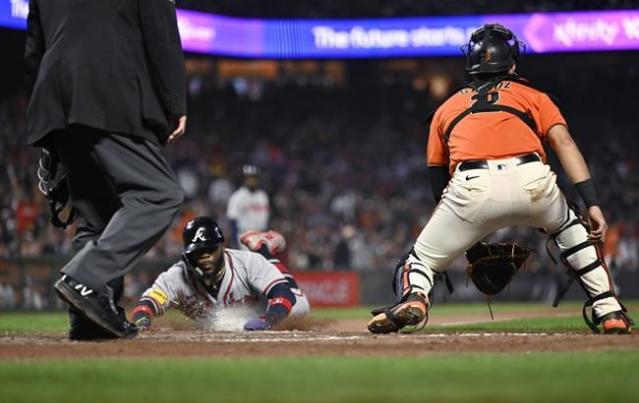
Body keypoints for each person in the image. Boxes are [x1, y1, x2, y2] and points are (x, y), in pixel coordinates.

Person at [367, 24, 632, 335]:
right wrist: (593, 203)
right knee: (570, 230)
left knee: (419, 259)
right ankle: (609, 308)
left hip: (471, 184)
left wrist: (464, 233)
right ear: (512, 64)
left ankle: (415, 298)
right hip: (533, 179)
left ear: (471, 65)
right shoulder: (534, 96)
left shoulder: (446, 108)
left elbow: (437, 177)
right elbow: (564, 144)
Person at [25, 0, 187, 339]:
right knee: (159, 195)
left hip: (55, 92)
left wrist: (56, 112)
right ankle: (84, 278)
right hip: (108, 86)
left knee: (98, 212)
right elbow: (161, 34)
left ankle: (88, 317)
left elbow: (34, 50)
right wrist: (174, 102)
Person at [130, 217, 310, 331]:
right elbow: (148, 302)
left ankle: (262, 248)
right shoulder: (177, 276)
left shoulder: (246, 262)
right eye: (198, 252)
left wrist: (269, 320)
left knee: (300, 307)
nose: (205, 256)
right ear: (187, 255)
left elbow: (282, 292)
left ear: (222, 247)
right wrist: (142, 320)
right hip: (243, 320)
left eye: (210, 250)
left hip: (268, 309)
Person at [226, 165, 270, 249]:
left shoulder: (263, 196)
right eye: (249, 177)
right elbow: (232, 221)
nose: (252, 180)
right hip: (244, 236)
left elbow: (266, 220)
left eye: (254, 177)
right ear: (244, 179)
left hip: (260, 236)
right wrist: (234, 241)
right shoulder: (237, 197)